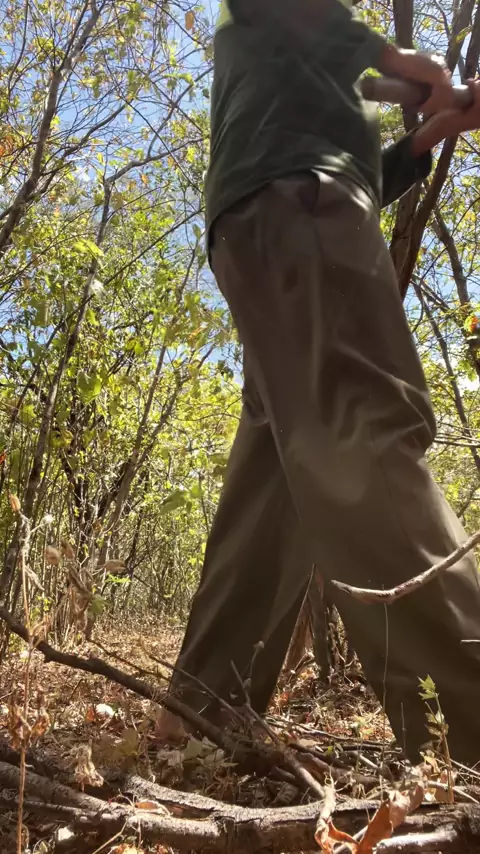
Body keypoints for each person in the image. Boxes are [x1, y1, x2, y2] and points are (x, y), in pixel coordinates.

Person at [158, 0, 480, 763]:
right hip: (298, 211)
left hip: (271, 226)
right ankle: (468, 718)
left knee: (277, 475)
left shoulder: (305, 81)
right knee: (360, 421)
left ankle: (204, 712)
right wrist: (402, 61)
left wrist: (433, 131)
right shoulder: (281, 23)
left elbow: (355, 171)